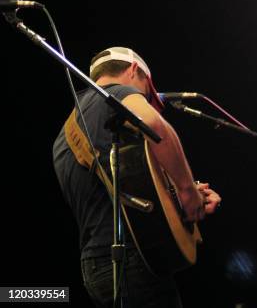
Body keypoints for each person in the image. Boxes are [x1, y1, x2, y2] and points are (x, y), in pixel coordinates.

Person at [52, 47, 220, 307]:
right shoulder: (116, 94)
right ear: (133, 70)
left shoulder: (66, 134)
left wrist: (176, 192)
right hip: (132, 262)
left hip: (96, 267)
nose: (146, 99)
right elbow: (155, 126)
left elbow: (121, 194)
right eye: (146, 90)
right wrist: (187, 192)